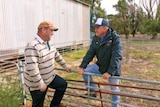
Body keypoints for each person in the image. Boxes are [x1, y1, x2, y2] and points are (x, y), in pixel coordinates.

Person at [77, 18, 123, 107]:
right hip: (100, 65)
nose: (95, 30)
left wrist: (110, 72)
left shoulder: (115, 38)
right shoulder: (96, 38)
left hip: (113, 69)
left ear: (105, 28)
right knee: (86, 71)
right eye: (95, 27)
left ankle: (115, 106)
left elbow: (117, 56)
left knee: (114, 89)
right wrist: (82, 66)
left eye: (97, 27)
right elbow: (90, 53)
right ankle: (92, 91)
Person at [24, 21, 70, 107]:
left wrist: (65, 66)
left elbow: (56, 55)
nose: (53, 34)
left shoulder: (49, 42)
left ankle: (54, 105)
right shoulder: (32, 45)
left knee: (62, 84)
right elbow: (32, 67)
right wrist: (40, 83)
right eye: (51, 30)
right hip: (37, 83)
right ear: (43, 30)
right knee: (38, 104)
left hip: (49, 78)